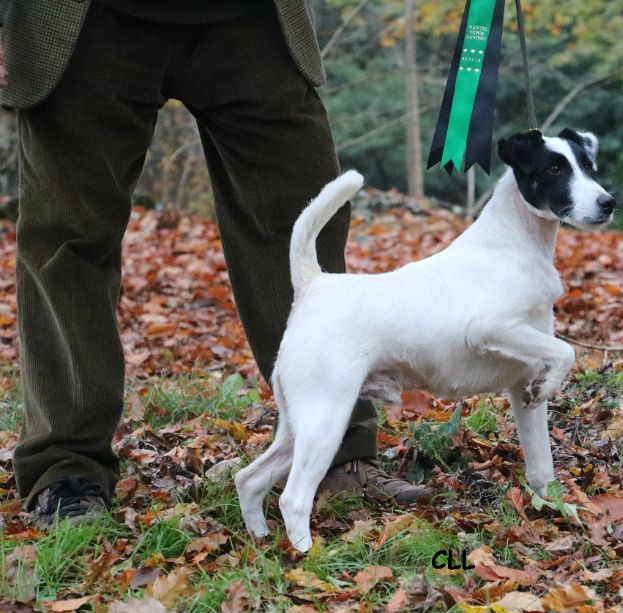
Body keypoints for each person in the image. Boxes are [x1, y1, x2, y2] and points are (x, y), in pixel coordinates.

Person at [0, 0, 429, 527]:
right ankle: (66, 469)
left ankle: (334, 449)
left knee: (305, 220)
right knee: (68, 238)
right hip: (83, 19)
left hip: (248, 18)